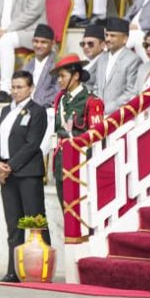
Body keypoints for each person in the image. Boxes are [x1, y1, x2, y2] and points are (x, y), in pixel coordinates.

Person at [0, 71, 50, 283]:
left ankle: (43, 269)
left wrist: (10, 166)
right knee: (13, 224)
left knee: (35, 220)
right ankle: (13, 270)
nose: (16, 91)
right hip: (6, 173)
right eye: (13, 87)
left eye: (20, 87)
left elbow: (33, 144)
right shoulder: (7, 110)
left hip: (27, 172)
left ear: (30, 88)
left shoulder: (37, 111)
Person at [50, 55, 103, 205]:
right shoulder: (60, 99)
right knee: (65, 210)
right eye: (58, 76)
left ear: (76, 76)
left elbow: (97, 138)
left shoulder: (92, 101)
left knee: (81, 212)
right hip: (61, 161)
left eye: (62, 76)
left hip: (81, 164)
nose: (59, 80)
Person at [94, 17, 141, 113]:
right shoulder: (102, 58)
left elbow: (131, 93)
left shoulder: (133, 60)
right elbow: (96, 87)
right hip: (99, 115)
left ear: (125, 39)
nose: (108, 39)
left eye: (112, 36)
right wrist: (96, 108)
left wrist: (107, 109)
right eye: (106, 35)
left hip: (120, 116)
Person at [20, 24, 59, 106]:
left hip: (47, 108)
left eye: (43, 42)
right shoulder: (28, 65)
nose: (38, 45)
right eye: (36, 41)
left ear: (52, 43)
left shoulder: (57, 64)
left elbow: (59, 92)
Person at [80, 24, 107, 91]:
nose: (86, 47)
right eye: (83, 44)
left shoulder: (106, 63)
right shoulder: (81, 62)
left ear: (102, 45)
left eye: (90, 44)